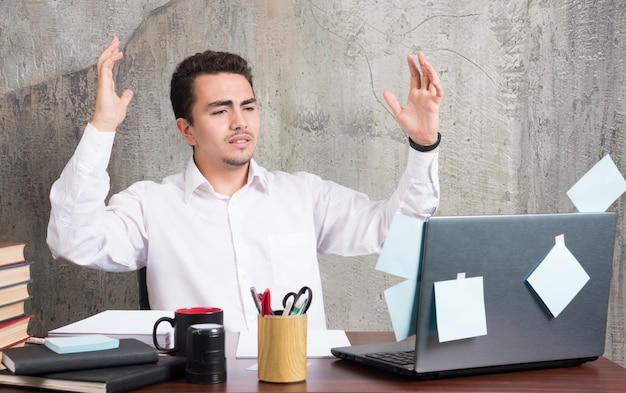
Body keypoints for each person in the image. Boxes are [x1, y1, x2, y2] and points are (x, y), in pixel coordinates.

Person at [47, 36, 443, 332]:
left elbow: (398, 234)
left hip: (300, 381)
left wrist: (424, 146)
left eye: (248, 107)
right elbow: (72, 240)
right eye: (220, 110)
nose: (240, 121)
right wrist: (102, 127)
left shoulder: (303, 195)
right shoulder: (152, 206)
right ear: (187, 129)